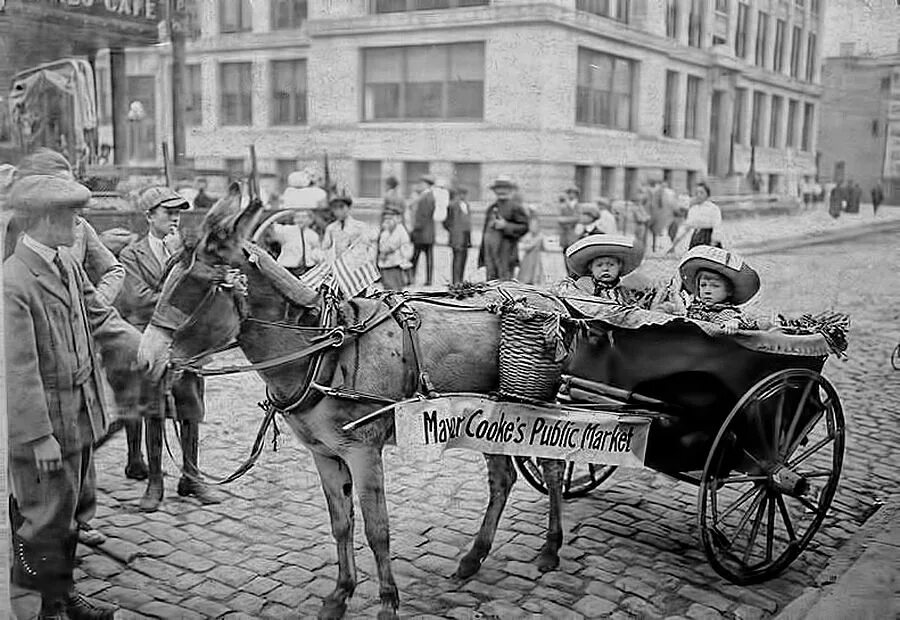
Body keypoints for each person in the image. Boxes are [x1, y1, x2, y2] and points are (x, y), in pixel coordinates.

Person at [5, 173, 126, 620]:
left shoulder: (66, 263)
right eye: (73, 215)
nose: (80, 224)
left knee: (70, 513)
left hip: (79, 415)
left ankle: (61, 595)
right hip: (46, 429)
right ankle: (38, 608)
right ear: (45, 218)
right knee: (41, 521)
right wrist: (38, 438)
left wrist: (151, 350)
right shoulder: (14, 282)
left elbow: (100, 316)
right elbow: (18, 372)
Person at [118, 186, 221, 512]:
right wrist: (181, 297)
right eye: (167, 212)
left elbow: (204, 294)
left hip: (188, 344)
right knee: (153, 412)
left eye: (178, 212)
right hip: (150, 341)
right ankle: (154, 483)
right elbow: (136, 299)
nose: (175, 218)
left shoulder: (190, 254)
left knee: (191, 410)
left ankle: (191, 476)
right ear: (149, 216)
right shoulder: (131, 255)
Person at [678, 245, 762, 335]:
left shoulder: (724, 312)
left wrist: (734, 322)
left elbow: (739, 319)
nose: (707, 291)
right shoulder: (697, 307)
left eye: (715, 286)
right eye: (703, 285)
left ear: (729, 291)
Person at [555, 234, 644, 303]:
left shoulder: (624, 291)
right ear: (591, 268)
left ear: (619, 267)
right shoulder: (584, 286)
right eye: (599, 265)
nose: (605, 269)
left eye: (611, 265)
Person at [478, 175, 529, 280]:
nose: (501, 191)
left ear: (510, 190)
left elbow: (524, 227)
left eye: (505, 188)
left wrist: (506, 226)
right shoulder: (491, 208)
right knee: (490, 282)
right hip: (490, 254)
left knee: (505, 283)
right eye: (499, 188)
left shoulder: (516, 207)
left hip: (506, 253)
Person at [669, 182, 722, 252]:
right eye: (696, 193)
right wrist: (675, 243)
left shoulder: (714, 208)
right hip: (696, 239)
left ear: (707, 195)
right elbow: (686, 227)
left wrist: (713, 243)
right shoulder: (693, 209)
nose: (698, 195)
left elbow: (717, 227)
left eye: (701, 193)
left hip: (708, 237)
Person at [322, 194, 377, 261]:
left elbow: (365, 248)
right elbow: (326, 248)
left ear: (349, 208)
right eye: (335, 208)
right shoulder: (331, 228)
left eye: (341, 207)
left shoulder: (360, 227)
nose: (338, 211)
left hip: (355, 263)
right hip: (337, 264)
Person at [269, 208, 323, 276]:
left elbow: (316, 248)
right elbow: (276, 228)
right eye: (297, 217)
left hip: (306, 267)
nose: (300, 219)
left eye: (304, 217)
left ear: (310, 220)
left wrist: (317, 258)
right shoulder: (288, 230)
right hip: (288, 266)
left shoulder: (313, 235)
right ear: (294, 219)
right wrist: (272, 224)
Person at [377, 202, 413, 290]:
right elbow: (381, 246)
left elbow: (391, 246)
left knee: (395, 291)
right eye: (386, 219)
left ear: (398, 218)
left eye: (390, 218)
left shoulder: (400, 230)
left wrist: (384, 250)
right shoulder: (386, 231)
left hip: (396, 265)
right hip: (386, 265)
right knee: (387, 290)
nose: (387, 221)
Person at [410, 174, 436, 286]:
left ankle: (411, 278)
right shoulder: (428, 196)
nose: (420, 185)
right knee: (428, 256)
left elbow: (422, 216)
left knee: (415, 256)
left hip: (421, 232)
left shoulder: (425, 197)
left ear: (426, 184)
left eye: (422, 183)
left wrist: (415, 229)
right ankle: (428, 279)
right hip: (428, 232)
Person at [443, 186, 472, 284]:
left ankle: (460, 279)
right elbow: (446, 222)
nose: (463, 196)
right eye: (461, 194)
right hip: (456, 237)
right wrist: (453, 231)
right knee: (457, 259)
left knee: (464, 258)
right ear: (457, 195)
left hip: (466, 237)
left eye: (465, 194)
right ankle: (456, 282)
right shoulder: (452, 206)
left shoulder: (467, 205)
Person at [516, 205, 545, 285]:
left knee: (532, 261)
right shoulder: (533, 220)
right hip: (533, 241)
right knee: (530, 261)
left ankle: (530, 278)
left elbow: (534, 230)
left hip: (534, 242)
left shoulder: (534, 220)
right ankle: (529, 278)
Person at [556, 192, 579, 259]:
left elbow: (577, 218)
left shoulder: (576, 206)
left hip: (573, 235)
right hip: (566, 235)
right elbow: (559, 219)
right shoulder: (564, 207)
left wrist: (564, 219)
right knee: (566, 253)